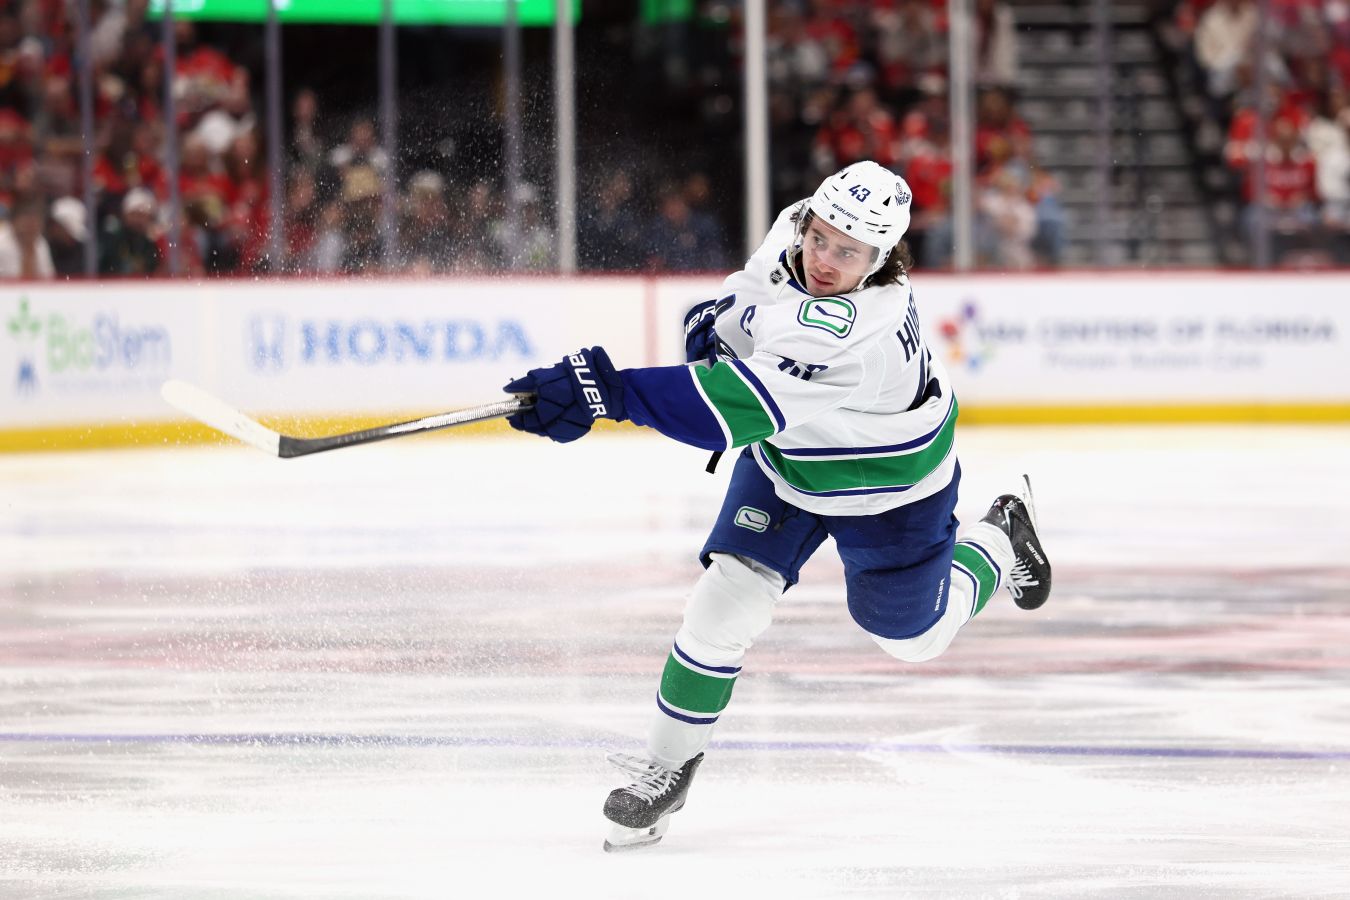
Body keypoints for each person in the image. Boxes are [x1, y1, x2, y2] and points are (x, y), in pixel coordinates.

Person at [501, 161, 1053, 852]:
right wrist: (716, 327)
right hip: (790, 461)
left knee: (913, 638)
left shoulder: (857, 328)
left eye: (848, 253)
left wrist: (603, 391)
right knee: (722, 607)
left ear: (882, 259)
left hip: (890, 488)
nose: (824, 259)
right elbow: (749, 295)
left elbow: (731, 408)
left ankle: (999, 539)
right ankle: (665, 773)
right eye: (820, 238)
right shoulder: (798, 225)